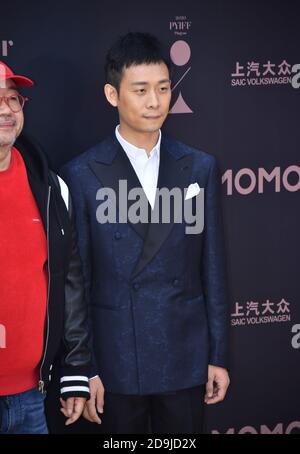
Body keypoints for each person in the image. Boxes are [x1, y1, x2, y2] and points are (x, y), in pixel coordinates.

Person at [61, 32, 230, 434]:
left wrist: (218, 355)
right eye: (140, 90)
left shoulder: (199, 167)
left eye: (163, 88)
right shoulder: (82, 175)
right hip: (116, 361)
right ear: (112, 94)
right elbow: (76, 281)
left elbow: (213, 269)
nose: (155, 101)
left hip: (184, 357)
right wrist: (86, 368)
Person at [0, 61, 91, 434]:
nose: (6, 109)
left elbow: (68, 285)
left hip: (30, 399)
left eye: (13, 99)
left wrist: (75, 370)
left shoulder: (51, 188)